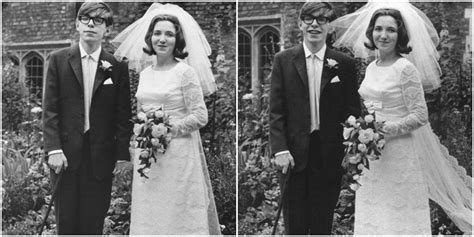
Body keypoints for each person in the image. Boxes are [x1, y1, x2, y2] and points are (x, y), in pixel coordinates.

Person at [332, 2, 472, 234]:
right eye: (378, 29)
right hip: (373, 157)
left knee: (399, 218)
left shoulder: (405, 69)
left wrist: (382, 130)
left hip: (401, 155)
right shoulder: (372, 67)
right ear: (371, 32)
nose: (383, 35)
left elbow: (419, 116)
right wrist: (363, 134)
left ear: (400, 35)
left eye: (391, 30)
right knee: (375, 215)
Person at [111, 3, 220, 234]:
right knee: (150, 216)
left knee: (177, 217)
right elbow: (141, 114)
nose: (162, 39)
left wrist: (166, 129)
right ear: (150, 38)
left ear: (177, 40)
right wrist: (139, 140)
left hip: (178, 156)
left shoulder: (185, 72)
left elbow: (201, 116)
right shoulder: (145, 74)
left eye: (169, 34)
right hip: (148, 158)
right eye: (158, 33)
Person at [269, 2, 361, 234]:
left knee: (322, 226)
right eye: (309, 19)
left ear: (330, 27)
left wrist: (348, 150)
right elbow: (276, 111)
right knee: (295, 226)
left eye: (322, 20)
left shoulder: (344, 64)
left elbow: (352, 110)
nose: (314, 25)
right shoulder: (283, 60)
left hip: (328, 157)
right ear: (300, 24)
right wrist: (280, 150)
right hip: (292, 156)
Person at [42, 2, 132, 234]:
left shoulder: (117, 66)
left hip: (100, 159)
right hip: (64, 157)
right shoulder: (58, 59)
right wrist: (53, 149)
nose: (91, 24)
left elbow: (123, 116)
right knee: (67, 224)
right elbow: (50, 110)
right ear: (77, 24)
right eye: (85, 18)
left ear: (107, 29)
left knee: (93, 224)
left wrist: (122, 156)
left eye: (98, 20)